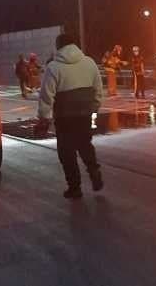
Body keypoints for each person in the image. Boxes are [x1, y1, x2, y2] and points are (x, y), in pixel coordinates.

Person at [37, 33, 104, 198]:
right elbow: (98, 88)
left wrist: (44, 118)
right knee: (85, 145)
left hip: (64, 116)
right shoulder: (89, 63)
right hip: (84, 113)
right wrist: (94, 106)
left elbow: (47, 96)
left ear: (58, 47)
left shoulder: (53, 67)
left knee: (67, 152)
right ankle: (94, 172)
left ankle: (75, 188)